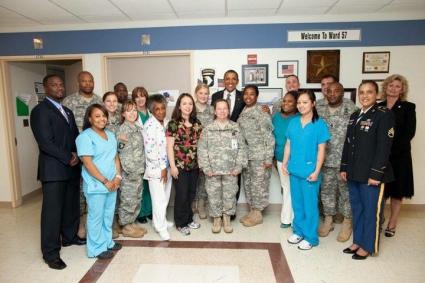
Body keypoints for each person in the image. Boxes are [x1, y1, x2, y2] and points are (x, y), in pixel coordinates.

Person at [30, 74, 84, 270]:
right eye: (54, 85)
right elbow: (45, 142)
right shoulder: (40, 111)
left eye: (61, 85)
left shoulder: (67, 111)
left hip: (71, 169)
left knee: (71, 206)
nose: (59, 88)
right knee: (52, 213)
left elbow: (75, 137)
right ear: (46, 88)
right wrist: (67, 156)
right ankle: (50, 253)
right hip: (53, 170)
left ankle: (69, 237)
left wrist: (77, 154)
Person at [341, 80, 394, 260]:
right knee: (357, 208)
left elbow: (384, 147)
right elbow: (348, 145)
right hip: (354, 172)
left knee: (371, 210)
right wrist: (344, 167)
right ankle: (358, 241)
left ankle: (368, 246)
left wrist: (376, 174)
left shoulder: (383, 115)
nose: (365, 95)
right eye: (362, 92)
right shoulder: (355, 115)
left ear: (377, 95)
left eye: (369, 92)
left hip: (371, 174)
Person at [282, 90, 330, 250]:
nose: (301, 105)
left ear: (313, 103)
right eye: (299, 103)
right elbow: (288, 143)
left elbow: (322, 150)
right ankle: (298, 231)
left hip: (310, 172)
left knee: (310, 205)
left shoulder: (319, 124)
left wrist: (316, 171)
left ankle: (311, 237)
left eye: (305, 102)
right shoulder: (294, 122)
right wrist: (285, 162)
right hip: (294, 169)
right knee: (297, 203)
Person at [75, 104, 122, 260]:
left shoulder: (110, 135)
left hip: (112, 184)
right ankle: (96, 248)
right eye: (97, 116)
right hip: (97, 185)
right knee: (96, 216)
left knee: (108, 215)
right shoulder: (84, 137)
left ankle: (107, 242)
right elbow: (88, 163)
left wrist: (117, 177)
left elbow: (115, 158)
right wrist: (105, 180)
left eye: (104, 115)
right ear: (90, 119)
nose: (102, 119)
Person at [63, 71, 102, 239]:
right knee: (79, 191)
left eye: (90, 81)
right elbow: (63, 129)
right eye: (84, 81)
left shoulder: (99, 101)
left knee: (95, 188)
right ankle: (79, 225)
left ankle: (93, 224)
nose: (87, 84)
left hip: (98, 154)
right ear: (79, 82)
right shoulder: (69, 101)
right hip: (77, 154)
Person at [198, 99, 247, 233]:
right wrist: (206, 168)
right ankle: (216, 218)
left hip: (231, 170)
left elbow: (242, 148)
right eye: (219, 109)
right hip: (212, 171)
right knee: (213, 194)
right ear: (215, 111)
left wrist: (238, 167)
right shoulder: (208, 129)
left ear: (228, 110)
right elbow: (202, 149)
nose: (222, 111)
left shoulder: (235, 127)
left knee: (229, 194)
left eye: (225, 108)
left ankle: (226, 218)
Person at [317, 82, 356, 242]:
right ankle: (328, 219)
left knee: (346, 193)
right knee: (326, 191)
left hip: (344, 160)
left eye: (336, 91)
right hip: (325, 159)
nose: (332, 94)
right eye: (329, 91)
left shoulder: (351, 108)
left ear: (342, 92)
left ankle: (347, 221)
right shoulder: (319, 108)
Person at [378, 74, 416, 237]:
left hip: (399, 157)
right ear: (386, 87)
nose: (393, 88)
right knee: (381, 190)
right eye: (391, 85)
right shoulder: (377, 107)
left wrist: (390, 150)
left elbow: (409, 133)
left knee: (397, 191)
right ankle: (379, 219)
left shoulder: (408, 107)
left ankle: (392, 222)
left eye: (397, 86)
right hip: (380, 156)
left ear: (402, 89)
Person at [237, 85, 274, 227]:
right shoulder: (244, 111)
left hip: (260, 156)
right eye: (246, 94)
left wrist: (268, 157)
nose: (248, 96)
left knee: (259, 185)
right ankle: (253, 211)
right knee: (249, 185)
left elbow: (268, 136)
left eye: (252, 94)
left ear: (257, 96)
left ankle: (258, 213)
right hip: (248, 156)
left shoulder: (261, 111)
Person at [211, 70, 245, 220]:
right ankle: (218, 212)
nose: (230, 81)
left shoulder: (243, 96)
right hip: (218, 144)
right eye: (227, 79)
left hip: (235, 140)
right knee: (216, 185)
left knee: (233, 181)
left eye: (233, 79)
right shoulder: (215, 96)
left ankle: (230, 212)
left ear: (237, 81)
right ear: (223, 81)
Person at [166, 93, 203, 235]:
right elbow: (169, 147)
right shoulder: (173, 124)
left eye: (190, 104)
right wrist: (173, 166)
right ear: (179, 106)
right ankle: (180, 223)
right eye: (184, 103)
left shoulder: (197, 123)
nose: (188, 106)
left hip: (194, 166)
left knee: (191, 194)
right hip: (179, 166)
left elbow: (201, 144)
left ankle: (188, 219)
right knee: (181, 195)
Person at [143, 94, 173, 241]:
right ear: (151, 111)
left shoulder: (167, 122)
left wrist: (168, 166)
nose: (161, 112)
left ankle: (161, 221)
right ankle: (160, 228)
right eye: (157, 109)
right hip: (157, 169)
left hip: (167, 166)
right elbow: (150, 151)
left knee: (165, 196)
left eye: (163, 108)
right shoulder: (149, 125)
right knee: (158, 199)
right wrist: (162, 167)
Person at [116, 101, 146, 238]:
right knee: (128, 199)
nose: (133, 113)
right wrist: (131, 172)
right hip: (130, 173)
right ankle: (126, 226)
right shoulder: (123, 130)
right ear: (123, 114)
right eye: (129, 111)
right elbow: (123, 154)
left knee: (136, 198)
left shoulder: (137, 128)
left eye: (134, 110)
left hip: (139, 170)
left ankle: (131, 222)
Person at [272, 90, 299, 229]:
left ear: (296, 104)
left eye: (290, 101)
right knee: (286, 188)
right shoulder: (275, 117)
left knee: (297, 189)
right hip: (280, 158)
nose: (286, 103)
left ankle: (296, 220)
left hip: (297, 159)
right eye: (284, 101)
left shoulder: (300, 118)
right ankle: (287, 218)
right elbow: (270, 137)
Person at [102, 91, 122, 239]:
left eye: (114, 101)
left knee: (118, 192)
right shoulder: (101, 119)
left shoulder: (120, 119)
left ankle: (117, 221)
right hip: (105, 161)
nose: (112, 104)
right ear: (103, 103)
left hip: (119, 159)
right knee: (107, 192)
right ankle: (109, 225)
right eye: (108, 101)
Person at [132, 87, 153, 224]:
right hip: (138, 154)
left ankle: (150, 210)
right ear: (134, 99)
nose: (140, 99)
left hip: (151, 153)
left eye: (142, 96)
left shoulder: (151, 113)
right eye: (137, 97)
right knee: (140, 185)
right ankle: (140, 213)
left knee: (150, 183)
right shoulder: (133, 115)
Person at [194, 84, 214, 219]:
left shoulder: (212, 110)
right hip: (190, 150)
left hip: (208, 150)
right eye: (201, 93)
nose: (203, 96)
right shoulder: (190, 108)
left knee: (204, 179)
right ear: (196, 94)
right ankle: (191, 204)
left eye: (206, 93)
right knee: (190, 179)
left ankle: (201, 205)